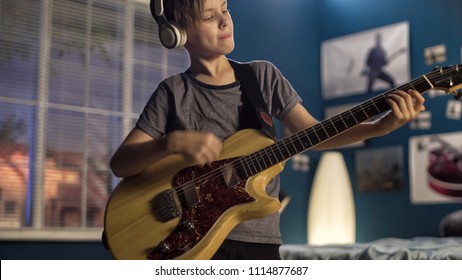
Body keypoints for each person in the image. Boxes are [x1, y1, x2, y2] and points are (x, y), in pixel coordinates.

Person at [109, 0, 426, 260]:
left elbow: (313, 135)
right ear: (178, 34)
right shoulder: (173, 92)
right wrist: (170, 143)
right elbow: (121, 164)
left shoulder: (262, 77)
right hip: (190, 241)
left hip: (258, 239)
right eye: (209, 16)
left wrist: (378, 128)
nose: (224, 22)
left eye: (225, 9)